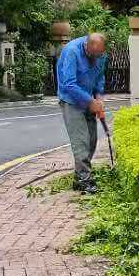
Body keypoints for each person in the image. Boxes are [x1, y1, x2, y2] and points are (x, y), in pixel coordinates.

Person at [57, 32, 107, 194]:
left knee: (92, 140)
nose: (96, 58)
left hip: (88, 99)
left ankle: (79, 176)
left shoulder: (100, 54)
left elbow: (99, 75)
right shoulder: (72, 52)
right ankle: (84, 179)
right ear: (86, 46)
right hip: (71, 101)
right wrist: (90, 101)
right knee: (81, 142)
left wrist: (98, 96)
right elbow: (69, 84)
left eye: (99, 55)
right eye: (93, 55)